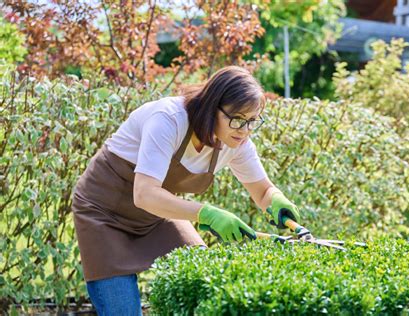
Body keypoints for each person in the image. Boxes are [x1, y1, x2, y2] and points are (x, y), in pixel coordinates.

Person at [71, 66, 301, 315]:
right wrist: (208, 214)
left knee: (204, 282)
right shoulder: (169, 119)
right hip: (104, 214)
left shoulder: (237, 142)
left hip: (156, 213)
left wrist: (277, 200)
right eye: (237, 119)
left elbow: (263, 190)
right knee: (124, 311)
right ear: (212, 107)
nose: (244, 131)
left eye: (252, 121)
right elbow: (145, 194)